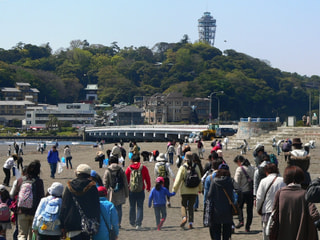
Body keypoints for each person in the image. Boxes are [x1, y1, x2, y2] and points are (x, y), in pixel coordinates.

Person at [269, 166, 320, 240]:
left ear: (286, 178)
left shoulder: (280, 193)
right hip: (301, 235)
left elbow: (274, 214)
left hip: (283, 234)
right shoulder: (305, 194)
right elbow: (314, 214)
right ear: (302, 178)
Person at [60, 164, 100, 240]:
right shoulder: (92, 187)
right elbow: (96, 207)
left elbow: (64, 206)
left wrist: (62, 225)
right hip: (88, 223)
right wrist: (96, 222)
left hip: (72, 223)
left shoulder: (69, 186)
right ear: (89, 174)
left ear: (77, 173)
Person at [172, 151, 202, 229]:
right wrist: (200, 189)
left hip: (185, 190)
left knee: (183, 205)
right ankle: (191, 223)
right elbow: (199, 179)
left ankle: (184, 217)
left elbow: (178, 180)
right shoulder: (196, 166)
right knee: (191, 206)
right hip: (194, 190)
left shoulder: (182, 167)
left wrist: (174, 190)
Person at [256, 163, 286, 240]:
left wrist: (258, 209)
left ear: (266, 172)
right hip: (281, 211)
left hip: (267, 210)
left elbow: (259, 198)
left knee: (267, 234)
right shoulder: (283, 180)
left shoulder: (263, 181)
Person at [17, 160, 45, 240]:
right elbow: (41, 197)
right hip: (34, 212)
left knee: (22, 234)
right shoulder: (39, 182)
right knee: (33, 234)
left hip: (21, 211)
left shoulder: (21, 180)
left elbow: (15, 195)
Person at [207, 164, 234, 240]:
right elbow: (239, 191)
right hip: (228, 211)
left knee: (216, 232)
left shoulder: (214, 181)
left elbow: (209, 196)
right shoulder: (230, 181)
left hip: (216, 211)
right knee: (226, 233)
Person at [125, 154, 151, 229]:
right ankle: (138, 224)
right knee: (140, 206)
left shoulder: (129, 168)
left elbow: (126, 179)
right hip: (141, 189)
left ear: (132, 161)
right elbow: (147, 178)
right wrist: (148, 187)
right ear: (139, 160)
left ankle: (132, 222)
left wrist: (126, 188)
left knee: (132, 206)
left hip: (131, 190)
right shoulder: (143, 168)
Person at [103, 156, 129, 228]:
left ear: (110, 162)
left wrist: (104, 194)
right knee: (119, 208)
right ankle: (119, 223)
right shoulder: (121, 170)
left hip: (111, 192)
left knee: (111, 208)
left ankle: (112, 223)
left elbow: (105, 183)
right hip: (120, 191)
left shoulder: (107, 170)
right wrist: (127, 193)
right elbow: (125, 182)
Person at [233, 155, 255, 232]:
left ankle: (241, 221)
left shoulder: (239, 169)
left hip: (242, 192)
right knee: (249, 210)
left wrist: (235, 189)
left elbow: (236, 182)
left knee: (239, 207)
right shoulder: (252, 167)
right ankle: (247, 227)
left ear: (239, 161)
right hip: (251, 192)